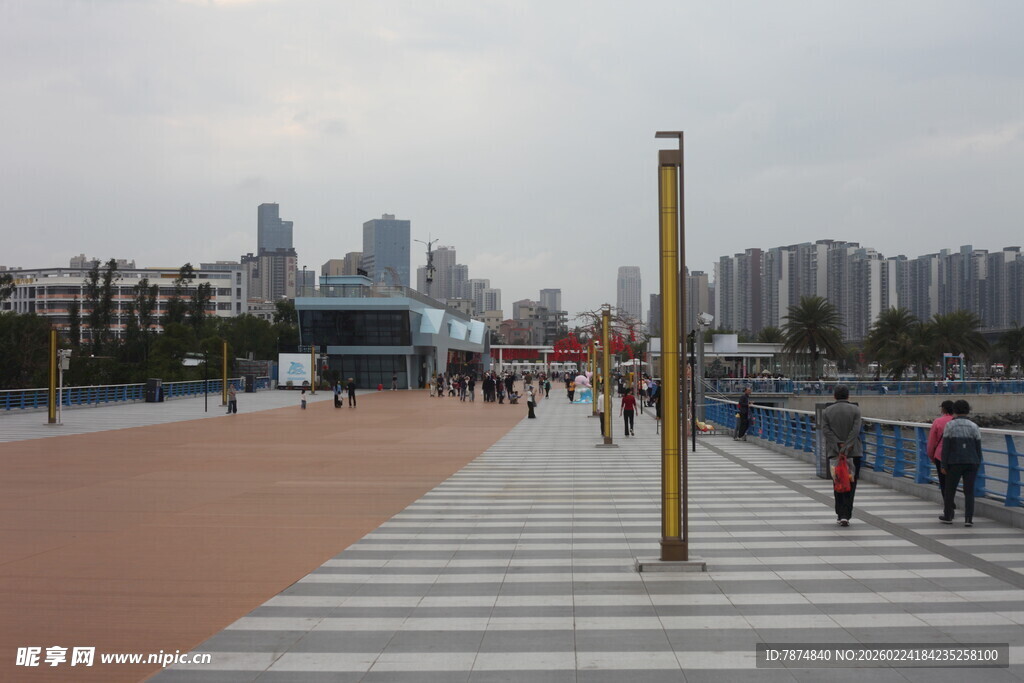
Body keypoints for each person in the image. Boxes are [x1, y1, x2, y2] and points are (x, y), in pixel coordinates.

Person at [821, 384, 862, 527]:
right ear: (848, 395)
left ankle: (840, 514)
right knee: (851, 483)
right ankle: (847, 514)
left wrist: (837, 445)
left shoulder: (827, 411)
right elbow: (856, 430)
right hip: (854, 452)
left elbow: (825, 430)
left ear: (834, 396)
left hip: (834, 453)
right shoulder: (855, 410)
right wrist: (847, 446)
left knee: (837, 482)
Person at [939, 400, 983, 527]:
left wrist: (943, 465)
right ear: (968, 410)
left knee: (950, 490)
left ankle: (948, 516)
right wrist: (978, 463)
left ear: (955, 410)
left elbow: (945, 447)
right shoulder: (974, 426)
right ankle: (968, 519)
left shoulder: (950, 425)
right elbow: (978, 448)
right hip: (971, 462)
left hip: (954, 462)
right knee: (969, 492)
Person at [926, 400, 956, 498]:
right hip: (956, 456)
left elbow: (931, 442)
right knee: (953, 481)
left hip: (940, 455)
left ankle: (948, 506)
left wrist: (932, 457)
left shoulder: (937, 422)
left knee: (943, 482)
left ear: (943, 409)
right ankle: (952, 499)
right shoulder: (956, 421)